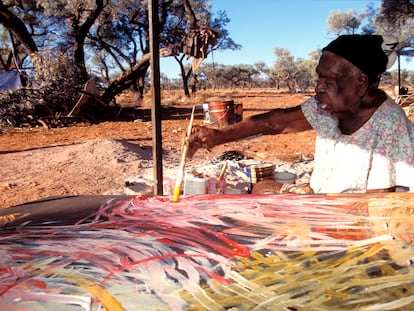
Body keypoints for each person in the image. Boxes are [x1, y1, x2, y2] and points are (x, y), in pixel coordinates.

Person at [187, 34, 414, 194]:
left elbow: (378, 207)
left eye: (329, 80)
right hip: (316, 199)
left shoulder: (389, 125)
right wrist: (218, 137)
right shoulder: (327, 106)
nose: (318, 88)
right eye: (319, 78)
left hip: (350, 222)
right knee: (262, 188)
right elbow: (275, 123)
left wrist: (311, 209)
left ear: (361, 82)